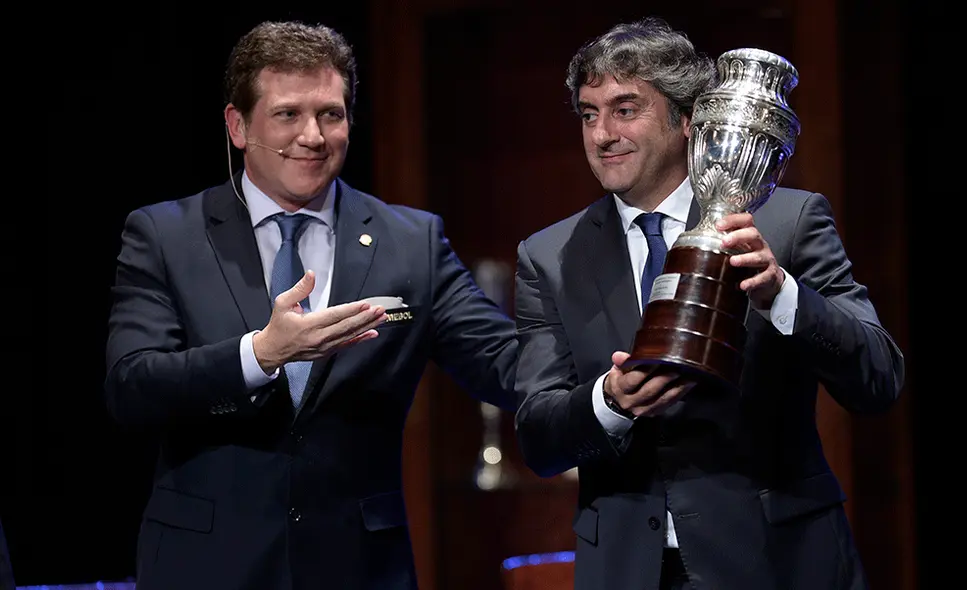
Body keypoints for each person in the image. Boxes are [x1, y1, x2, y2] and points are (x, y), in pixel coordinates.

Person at [105, 21, 517, 590]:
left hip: (358, 569)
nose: (313, 136)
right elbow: (132, 386)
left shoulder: (410, 242)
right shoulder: (166, 235)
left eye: (330, 114)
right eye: (288, 114)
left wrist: (612, 372)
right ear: (238, 126)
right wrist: (259, 355)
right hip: (207, 566)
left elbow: (505, 365)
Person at [513, 17, 904, 590]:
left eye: (625, 109)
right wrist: (609, 401)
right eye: (589, 114)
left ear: (687, 120)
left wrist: (781, 294)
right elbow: (538, 437)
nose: (602, 135)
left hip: (776, 563)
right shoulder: (549, 255)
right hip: (628, 571)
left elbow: (878, 377)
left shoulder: (785, 222)